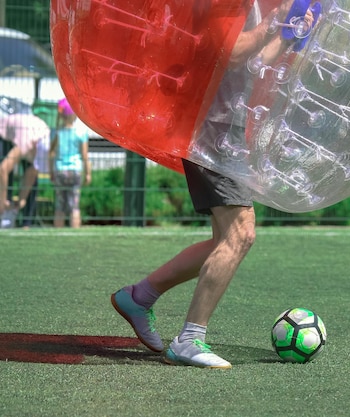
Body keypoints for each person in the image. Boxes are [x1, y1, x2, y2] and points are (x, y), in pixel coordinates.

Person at [111, 1, 317, 369]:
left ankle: (139, 297)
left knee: (225, 240)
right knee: (241, 234)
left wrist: (290, 36)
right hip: (211, 128)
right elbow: (232, 53)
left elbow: (254, 62)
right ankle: (190, 339)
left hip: (226, 129)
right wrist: (273, 24)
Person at [0, 106, 50, 222]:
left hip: (26, 129)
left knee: (33, 181)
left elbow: (32, 172)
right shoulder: (24, 145)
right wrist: (2, 201)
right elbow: (2, 170)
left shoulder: (46, 137)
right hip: (4, 132)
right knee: (6, 172)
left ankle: (26, 222)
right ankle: (4, 209)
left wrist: (22, 199)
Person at [49, 98, 92, 228]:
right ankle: (75, 231)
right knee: (74, 204)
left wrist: (51, 171)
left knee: (60, 204)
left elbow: (51, 153)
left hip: (60, 170)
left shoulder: (56, 132)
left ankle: (58, 232)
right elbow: (84, 156)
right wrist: (88, 173)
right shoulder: (81, 133)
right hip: (75, 170)